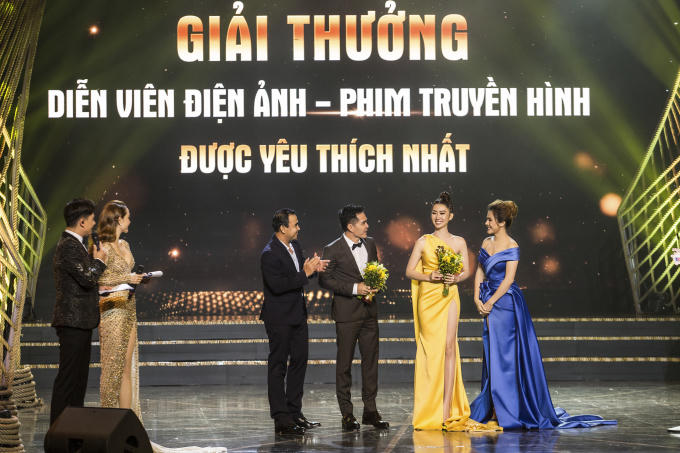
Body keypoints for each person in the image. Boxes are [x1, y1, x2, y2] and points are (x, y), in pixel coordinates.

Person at [469, 199, 616, 429]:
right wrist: (477, 298)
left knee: (507, 358)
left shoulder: (512, 246)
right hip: (488, 301)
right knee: (492, 355)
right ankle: (495, 407)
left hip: (506, 304)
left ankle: (510, 409)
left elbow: (508, 280)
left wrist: (490, 301)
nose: (486, 223)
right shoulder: (486, 243)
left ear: (501, 222)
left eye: (489, 219)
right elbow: (479, 270)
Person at [406, 192, 497, 432]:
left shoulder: (458, 242)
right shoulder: (423, 241)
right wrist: (430, 275)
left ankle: (447, 409)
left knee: (449, 348)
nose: (438, 217)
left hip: (449, 297)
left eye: (442, 213)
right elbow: (409, 271)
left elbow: (466, 270)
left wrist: (455, 278)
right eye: (434, 213)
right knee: (431, 352)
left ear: (451, 216)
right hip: (428, 299)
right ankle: (429, 407)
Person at [319, 205, 389, 431]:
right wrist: (354, 288)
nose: (368, 225)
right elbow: (325, 280)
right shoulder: (332, 249)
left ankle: (370, 410)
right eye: (363, 222)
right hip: (347, 314)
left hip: (369, 312)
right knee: (344, 364)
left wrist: (375, 284)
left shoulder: (370, 243)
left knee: (371, 363)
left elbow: (374, 270)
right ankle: (347, 414)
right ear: (350, 226)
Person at [260, 208, 328, 435]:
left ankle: (294, 412)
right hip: (279, 317)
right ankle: (281, 418)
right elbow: (278, 285)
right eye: (295, 224)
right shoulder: (269, 253)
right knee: (278, 366)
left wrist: (314, 269)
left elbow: (299, 275)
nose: (299, 228)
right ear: (283, 228)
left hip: (298, 314)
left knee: (299, 361)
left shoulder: (295, 246)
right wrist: (305, 273)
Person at [50, 198, 107, 424]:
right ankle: (58, 432)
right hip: (72, 322)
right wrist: (99, 261)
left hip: (81, 322)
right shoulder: (68, 245)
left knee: (78, 381)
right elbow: (87, 279)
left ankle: (72, 430)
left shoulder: (77, 244)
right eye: (92, 220)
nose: (94, 224)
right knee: (69, 380)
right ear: (82, 222)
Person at [96, 200, 144, 417]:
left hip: (129, 306)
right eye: (127, 217)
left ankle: (126, 422)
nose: (130, 221)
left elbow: (124, 276)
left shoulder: (125, 245)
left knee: (126, 367)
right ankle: (109, 419)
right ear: (118, 219)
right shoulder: (101, 247)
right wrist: (126, 277)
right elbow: (97, 279)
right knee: (112, 368)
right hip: (111, 309)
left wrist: (136, 279)